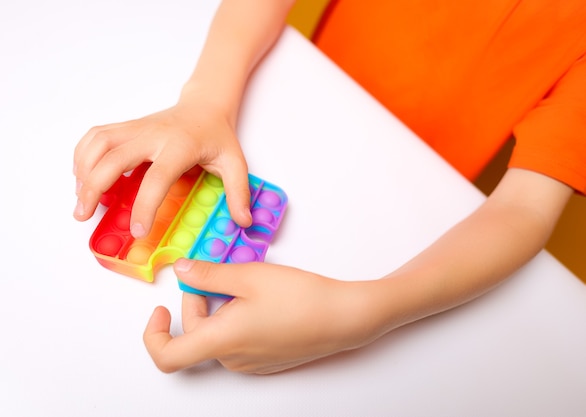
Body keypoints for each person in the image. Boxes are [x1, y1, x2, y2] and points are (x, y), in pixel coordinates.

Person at [73, 0, 586, 374]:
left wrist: (366, 311)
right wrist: (206, 99)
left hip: (405, 210)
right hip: (291, 95)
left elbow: (524, 208)